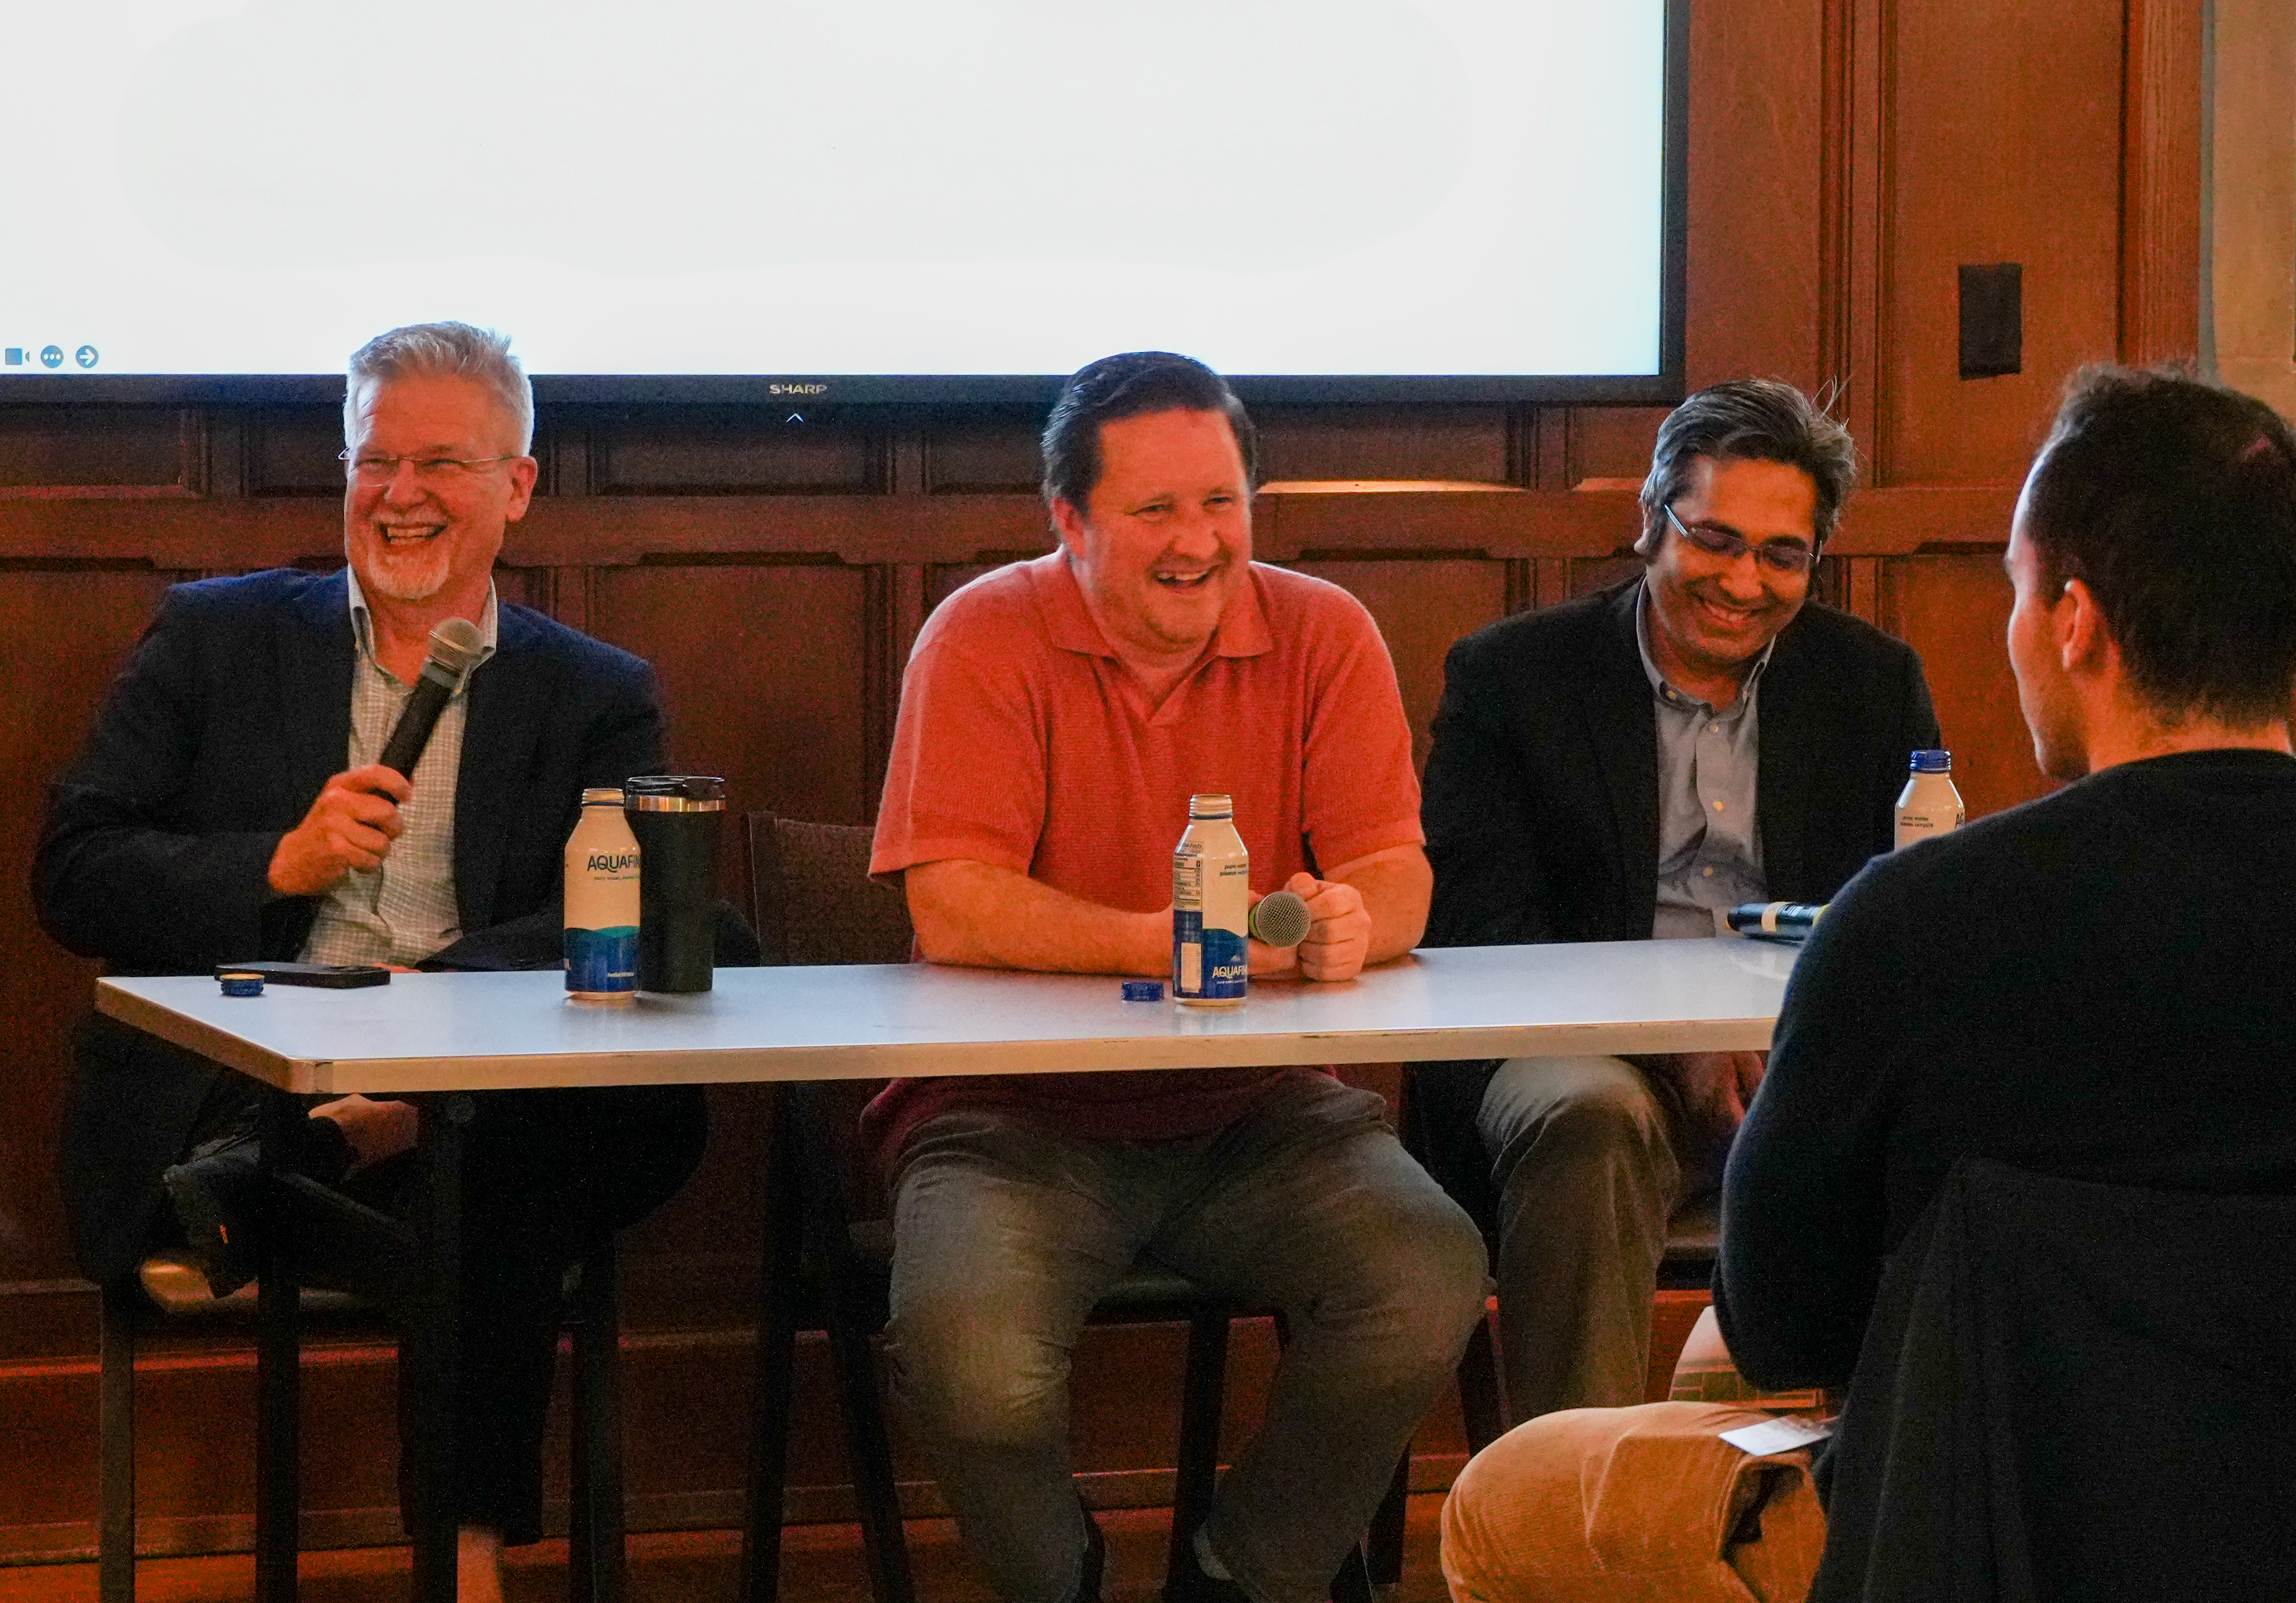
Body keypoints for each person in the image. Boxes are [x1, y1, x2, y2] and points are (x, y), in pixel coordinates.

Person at [1439, 365, 2296, 1601]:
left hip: (1972, 1530)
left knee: (1505, 1500)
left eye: (2012, 588)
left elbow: (1783, 1323)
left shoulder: (1918, 920)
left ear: (2073, 622)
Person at [33, 322, 737, 1603]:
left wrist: (443, 997)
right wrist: (278, 863)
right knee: (505, 1168)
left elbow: (622, 914)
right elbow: (72, 872)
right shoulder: (215, 638)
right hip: (253, 1071)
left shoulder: (594, 691)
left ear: (517, 487)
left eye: (441, 464)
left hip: (483, 1075)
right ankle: (466, 1566)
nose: (400, 495)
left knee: (680, 969)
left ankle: (361, 1138)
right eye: (375, 461)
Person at [868, 351, 1487, 1603]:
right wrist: (1175, 937)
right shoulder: (981, 631)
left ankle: (1238, 1578)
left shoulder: (1325, 630)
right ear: (1070, 518)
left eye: (1222, 502)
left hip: (1260, 1107)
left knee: (1428, 1274)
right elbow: (954, 904)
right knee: (966, 1363)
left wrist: (1351, 923)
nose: (1198, 542)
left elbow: (1396, 872)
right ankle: (1066, 1584)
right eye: (1155, 509)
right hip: (1008, 1113)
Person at [1417, 378, 1939, 1422]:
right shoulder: (1513, 677)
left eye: (1782, 554)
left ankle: (1874, 1491)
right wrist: (1681, 1044)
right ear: (1651, 521)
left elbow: (1903, 919)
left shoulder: (1871, 684)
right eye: (1715, 540)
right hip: (1582, 1054)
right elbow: (1484, 935)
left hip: (1796, 1061)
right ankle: (1579, 1498)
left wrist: (1795, 1045)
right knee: (1590, 1119)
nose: (1743, 582)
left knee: (1944, 1109)